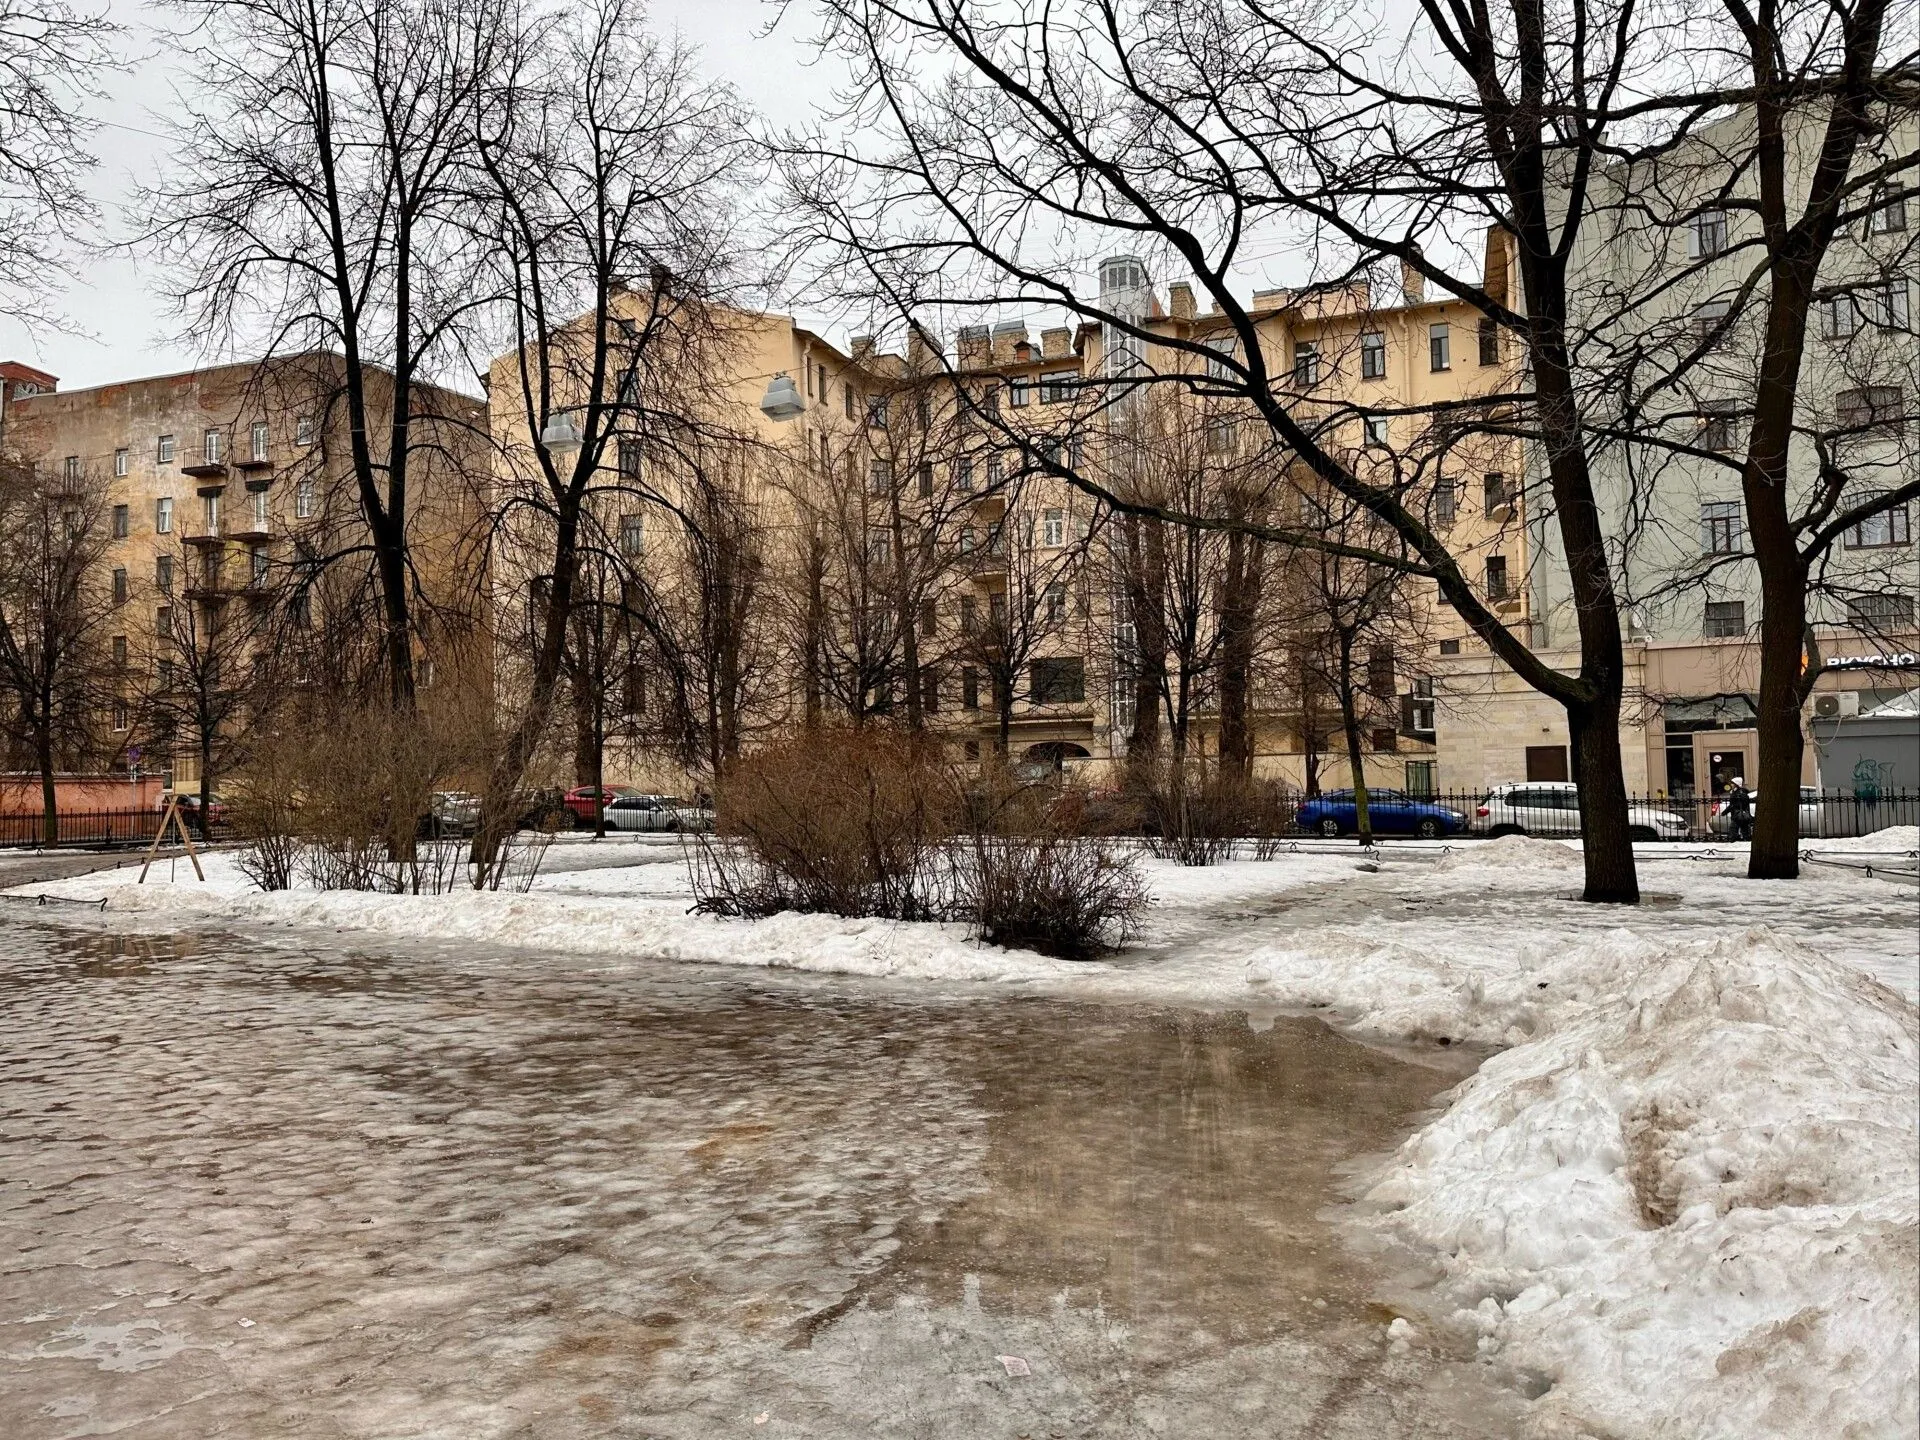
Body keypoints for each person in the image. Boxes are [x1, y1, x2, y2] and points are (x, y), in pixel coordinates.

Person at [1726, 776, 1753, 841]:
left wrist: (1725, 812)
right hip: (1738, 814)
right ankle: (1744, 840)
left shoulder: (1740, 793)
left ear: (1736, 784)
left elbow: (1735, 804)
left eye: (1733, 783)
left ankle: (1737, 841)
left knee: (1734, 831)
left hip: (1738, 815)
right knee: (1744, 830)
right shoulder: (1734, 792)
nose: (1731, 785)